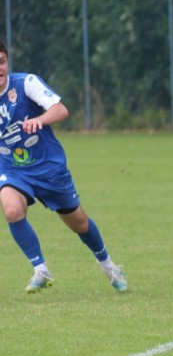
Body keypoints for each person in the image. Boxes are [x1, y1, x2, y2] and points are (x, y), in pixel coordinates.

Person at [0, 40, 127, 294]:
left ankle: (109, 266)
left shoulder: (26, 84)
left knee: (78, 223)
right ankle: (41, 269)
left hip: (48, 167)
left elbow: (60, 110)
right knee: (12, 209)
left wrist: (40, 119)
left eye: (1, 62)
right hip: (12, 169)